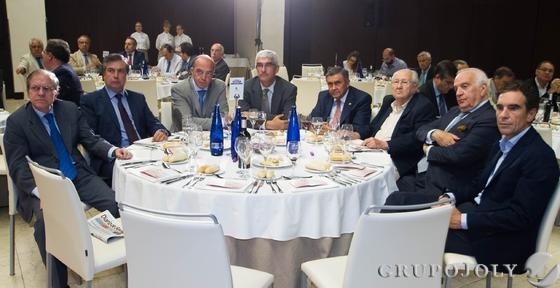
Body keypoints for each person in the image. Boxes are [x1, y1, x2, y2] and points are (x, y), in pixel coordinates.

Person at [386, 81, 559, 272]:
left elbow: (520, 217)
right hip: (476, 212)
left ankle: (399, 277)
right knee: (397, 199)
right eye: (500, 108)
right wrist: (450, 197)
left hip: (500, 239)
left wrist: (462, 220)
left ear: (531, 114)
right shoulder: (502, 143)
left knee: (410, 227)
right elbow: (478, 184)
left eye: (513, 108)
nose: (503, 115)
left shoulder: (540, 157)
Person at [3, 69, 132, 288]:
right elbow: (17, 166)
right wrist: (40, 192)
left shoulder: (70, 110)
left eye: (47, 89)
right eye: (35, 88)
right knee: (46, 226)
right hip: (44, 184)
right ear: (28, 92)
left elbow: (90, 139)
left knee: (118, 205)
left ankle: (128, 261)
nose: (41, 93)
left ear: (56, 92)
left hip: (77, 175)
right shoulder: (17, 122)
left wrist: (112, 151)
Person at [81, 54, 169, 183]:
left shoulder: (137, 98)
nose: (116, 76)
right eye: (111, 71)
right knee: (145, 179)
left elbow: (153, 123)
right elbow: (89, 137)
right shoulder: (90, 101)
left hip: (144, 153)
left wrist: (161, 131)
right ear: (103, 75)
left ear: (126, 75)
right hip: (114, 159)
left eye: (121, 71)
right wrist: (113, 151)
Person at [415, 68, 500, 195]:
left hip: (447, 187)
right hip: (425, 175)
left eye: (464, 86)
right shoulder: (455, 110)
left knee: (393, 199)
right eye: (456, 89)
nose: (458, 93)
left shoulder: (489, 119)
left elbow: (458, 155)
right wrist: (435, 134)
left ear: (483, 89)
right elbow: (421, 130)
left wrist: (428, 150)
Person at [362, 69, 436, 191]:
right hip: (370, 152)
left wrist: (385, 144)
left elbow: (417, 137)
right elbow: (373, 128)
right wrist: (355, 134)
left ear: (415, 86)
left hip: (394, 158)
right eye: (395, 82)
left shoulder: (423, 106)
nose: (399, 86)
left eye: (404, 82)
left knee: (366, 183)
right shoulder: (388, 101)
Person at [238, 49, 297, 130]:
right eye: (259, 65)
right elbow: (241, 118)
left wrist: (254, 115)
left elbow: (286, 120)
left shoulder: (289, 89)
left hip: (278, 137)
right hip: (254, 136)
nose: (263, 70)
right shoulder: (246, 87)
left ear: (276, 69)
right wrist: (267, 124)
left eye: (268, 65)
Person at [309, 66, 372, 139]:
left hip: (346, 143)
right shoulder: (324, 96)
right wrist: (319, 126)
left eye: (337, 83)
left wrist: (334, 131)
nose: (333, 88)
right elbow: (313, 119)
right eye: (330, 84)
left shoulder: (361, 99)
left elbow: (362, 129)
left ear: (347, 83)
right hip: (323, 140)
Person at [171, 54, 228, 131]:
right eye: (199, 72)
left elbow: (224, 117)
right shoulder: (179, 89)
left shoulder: (219, 86)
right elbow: (187, 122)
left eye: (208, 73)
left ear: (213, 74)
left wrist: (221, 121)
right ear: (191, 71)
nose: (204, 77)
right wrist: (216, 122)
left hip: (211, 136)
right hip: (184, 137)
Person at [42, 38, 83, 106]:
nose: (42, 55)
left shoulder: (62, 73)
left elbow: (50, 102)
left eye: (44, 52)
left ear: (50, 56)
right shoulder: (66, 68)